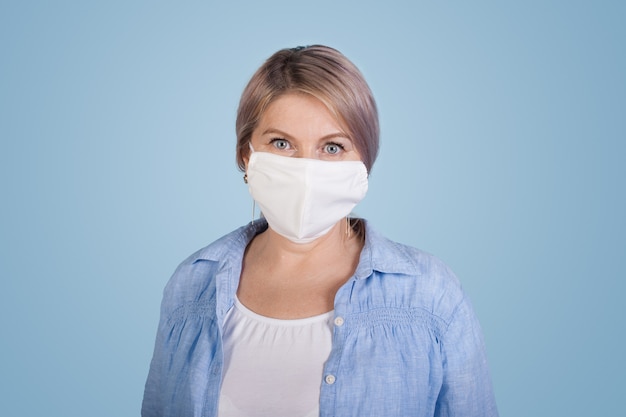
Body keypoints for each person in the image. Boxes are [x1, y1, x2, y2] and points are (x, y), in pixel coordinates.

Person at [142, 45, 498, 417]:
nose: (307, 172)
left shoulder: (431, 296)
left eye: (332, 147)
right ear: (247, 156)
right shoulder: (191, 285)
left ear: (363, 162)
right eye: (282, 143)